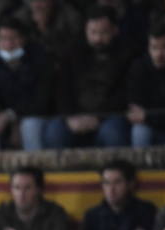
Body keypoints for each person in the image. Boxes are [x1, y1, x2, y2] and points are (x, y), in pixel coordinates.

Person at [47, 5, 133, 148]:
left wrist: (98, 117)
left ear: (115, 30)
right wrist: (70, 117)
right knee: (54, 133)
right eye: (93, 32)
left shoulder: (128, 54)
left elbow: (125, 94)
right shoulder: (72, 53)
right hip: (75, 116)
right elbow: (62, 89)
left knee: (112, 134)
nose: (98, 38)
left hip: (109, 116)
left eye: (103, 33)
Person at [0, 17, 56, 150]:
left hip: (32, 116)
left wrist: (12, 116)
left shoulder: (39, 59)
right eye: (3, 39)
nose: (8, 44)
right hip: (0, 117)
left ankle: (34, 167)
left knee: (29, 126)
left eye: (13, 39)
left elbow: (40, 100)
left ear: (23, 39)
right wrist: (2, 117)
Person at [79, 160, 157, 230]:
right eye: (106, 183)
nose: (111, 189)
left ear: (131, 184)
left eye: (117, 182)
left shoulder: (146, 211)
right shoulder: (92, 216)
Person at [15, 0, 83, 60]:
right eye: (34, 1)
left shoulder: (70, 17)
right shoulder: (21, 17)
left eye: (42, 1)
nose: (37, 5)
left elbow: (71, 48)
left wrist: (44, 28)